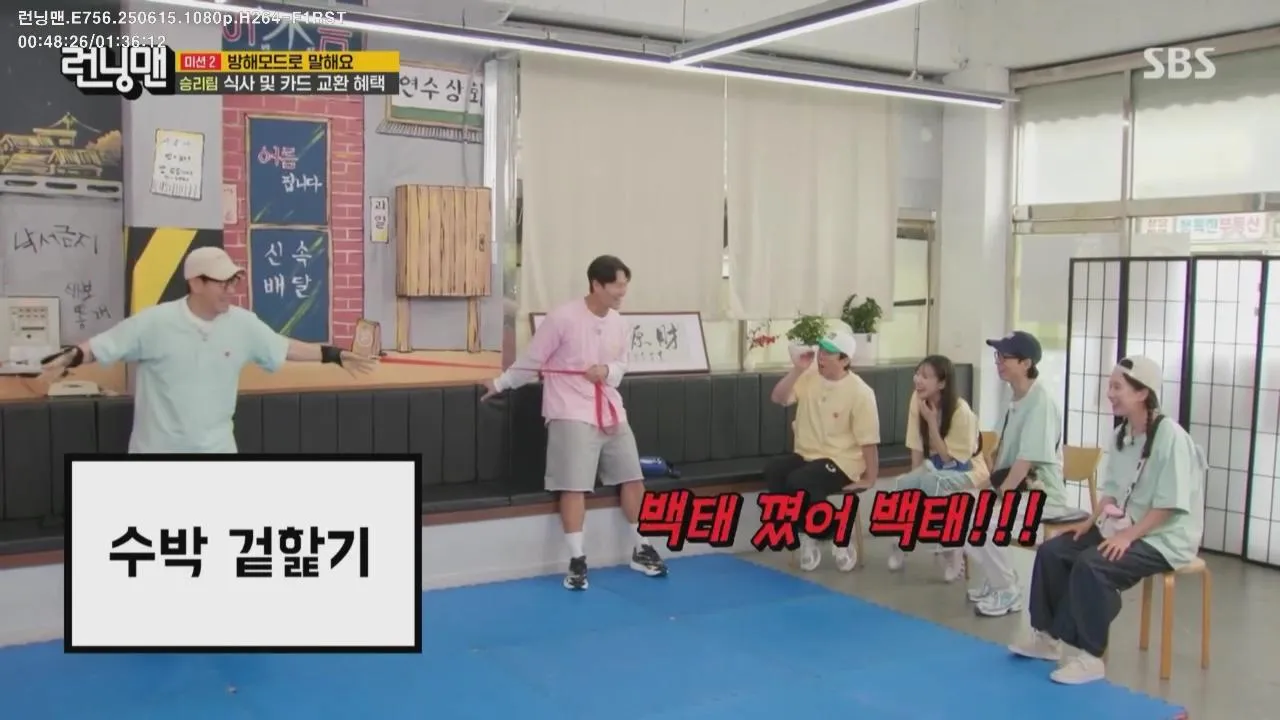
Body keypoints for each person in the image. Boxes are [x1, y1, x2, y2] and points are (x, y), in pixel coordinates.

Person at [38, 247, 376, 453]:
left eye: (233, 281)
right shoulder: (155, 322)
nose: (230, 290)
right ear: (196, 282)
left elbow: (284, 347)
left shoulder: (242, 324)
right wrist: (71, 356)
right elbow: (102, 346)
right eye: (221, 282)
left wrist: (334, 355)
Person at [1008, 356, 1205, 685]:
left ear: (1142, 393)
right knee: (1053, 551)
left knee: (1093, 565)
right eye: (1109, 386)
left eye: (1117, 387)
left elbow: (1170, 505)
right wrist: (1090, 523)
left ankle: (1091, 658)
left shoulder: (1170, 436)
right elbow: (1112, 491)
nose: (1109, 393)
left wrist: (1128, 537)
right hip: (1122, 526)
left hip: (1164, 537)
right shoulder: (1122, 434)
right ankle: (1047, 639)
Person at [481, 255, 667, 591]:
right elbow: (532, 360)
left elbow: (622, 365)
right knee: (574, 484)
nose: (622, 292)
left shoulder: (619, 323)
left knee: (633, 477)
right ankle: (577, 559)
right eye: (617, 286)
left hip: (610, 409)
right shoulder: (562, 318)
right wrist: (500, 383)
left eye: (625, 285)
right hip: (570, 410)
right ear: (596, 284)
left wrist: (606, 370)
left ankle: (641, 547)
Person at [966, 330, 1068, 617]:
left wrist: (998, 496)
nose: (998, 362)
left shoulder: (1040, 402)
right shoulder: (1014, 399)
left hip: (1042, 495)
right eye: (997, 356)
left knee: (988, 520)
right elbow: (1003, 458)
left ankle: (1007, 591)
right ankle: (997, 578)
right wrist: (978, 488)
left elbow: (1025, 461)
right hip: (1015, 487)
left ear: (1026, 363)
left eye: (1005, 357)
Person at [766, 330, 880, 572]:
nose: (822, 356)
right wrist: (797, 369)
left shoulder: (860, 392)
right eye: (821, 350)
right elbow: (778, 397)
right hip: (807, 454)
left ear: (845, 360)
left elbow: (869, 440)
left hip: (843, 460)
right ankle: (816, 532)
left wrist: (870, 477)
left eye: (829, 353)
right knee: (775, 471)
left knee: (800, 481)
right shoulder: (808, 376)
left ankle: (832, 535)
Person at [887, 354, 989, 580]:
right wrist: (913, 477)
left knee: (932, 482)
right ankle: (901, 541)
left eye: (925, 376)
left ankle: (951, 548)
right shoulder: (917, 399)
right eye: (917, 374)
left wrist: (932, 423)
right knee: (904, 483)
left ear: (942, 383)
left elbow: (952, 461)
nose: (918, 380)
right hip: (935, 465)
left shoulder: (961, 412)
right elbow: (916, 443)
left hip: (969, 469)